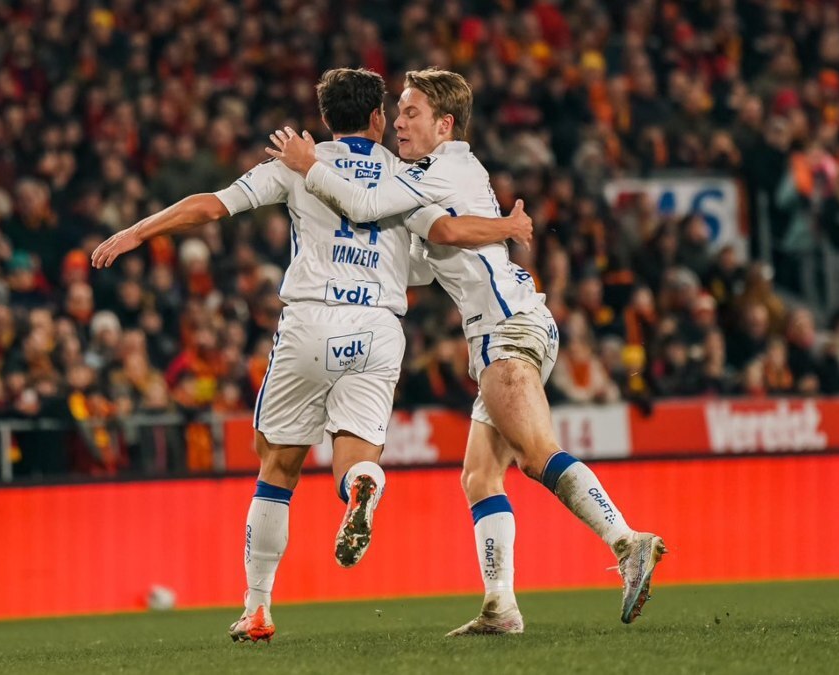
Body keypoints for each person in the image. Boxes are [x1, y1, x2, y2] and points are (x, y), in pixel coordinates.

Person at [91, 68, 531, 643]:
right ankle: (362, 485)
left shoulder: (297, 164)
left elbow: (212, 206)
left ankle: (257, 608)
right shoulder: (404, 172)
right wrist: (506, 226)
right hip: (378, 326)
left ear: (325, 119)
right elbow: (446, 231)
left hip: (310, 321)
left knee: (276, 467)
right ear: (376, 118)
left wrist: (138, 232)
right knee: (355, 459)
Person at [268, 68, 665, 634]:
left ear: (445, 124)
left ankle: (627, 541)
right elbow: (425, 252)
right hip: (503, 330)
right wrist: (496, 227)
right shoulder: (435, 175)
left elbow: (370, 207)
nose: (398, 122)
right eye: (397, 112)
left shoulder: (440, 167)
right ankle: (500, 607)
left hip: (508, 329)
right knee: (480, 476)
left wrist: (311, 166)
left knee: (536, 455)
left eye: (411, 113)